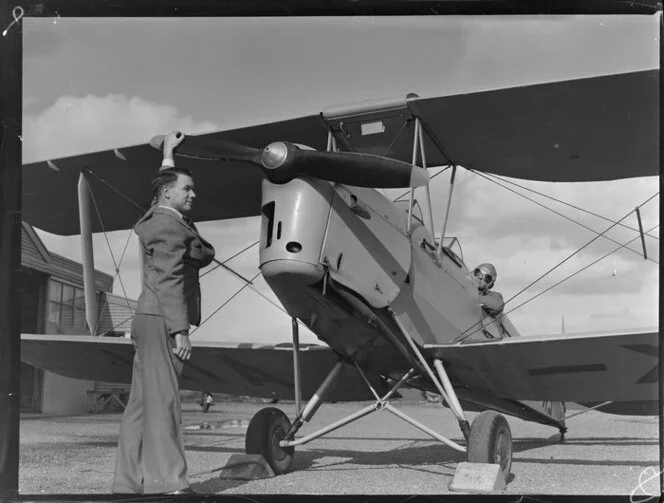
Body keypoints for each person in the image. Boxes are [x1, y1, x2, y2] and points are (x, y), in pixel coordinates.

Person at [112, 131, 215, 495]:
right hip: (161, 319)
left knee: (141, 406)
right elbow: (170, 281)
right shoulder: (171, 226)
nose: (193, 194)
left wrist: (168, 154)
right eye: (188, 189)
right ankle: (171, 483)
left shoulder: (156, 217)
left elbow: (159, 186)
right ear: (169, 194)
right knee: (165, 401)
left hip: (146, 317)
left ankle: (127, 484)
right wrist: (179, 330)